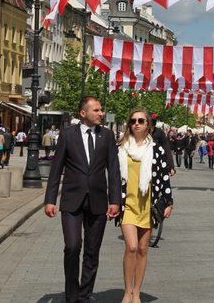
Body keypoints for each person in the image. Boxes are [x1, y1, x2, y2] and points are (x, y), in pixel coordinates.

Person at [44, 96, 121, 303]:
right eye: (96, 110)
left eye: (101, 110)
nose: (100, 113)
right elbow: (56, 169)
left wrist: (115, 201)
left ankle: (84, 296)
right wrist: (50, 199)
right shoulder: (68, 135)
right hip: (71, 200)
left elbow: (113, 169)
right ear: (83, 113)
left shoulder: (107, 136)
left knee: (92, 252)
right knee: (72, 247)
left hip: (97, 201)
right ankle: (71, 295)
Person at [116, 109, 173, 303]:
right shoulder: (121, 148)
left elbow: (164, 177)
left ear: (148, 124)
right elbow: (113, 177)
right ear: (129, 124)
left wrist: (168, 202)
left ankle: (137, 293)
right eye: (133, 121)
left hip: (147, 205)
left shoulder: (156, 149)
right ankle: (126, 292)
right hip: (128, 205)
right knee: (131, 247)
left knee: (142, 249)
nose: (137, 124)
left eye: (141, 120)